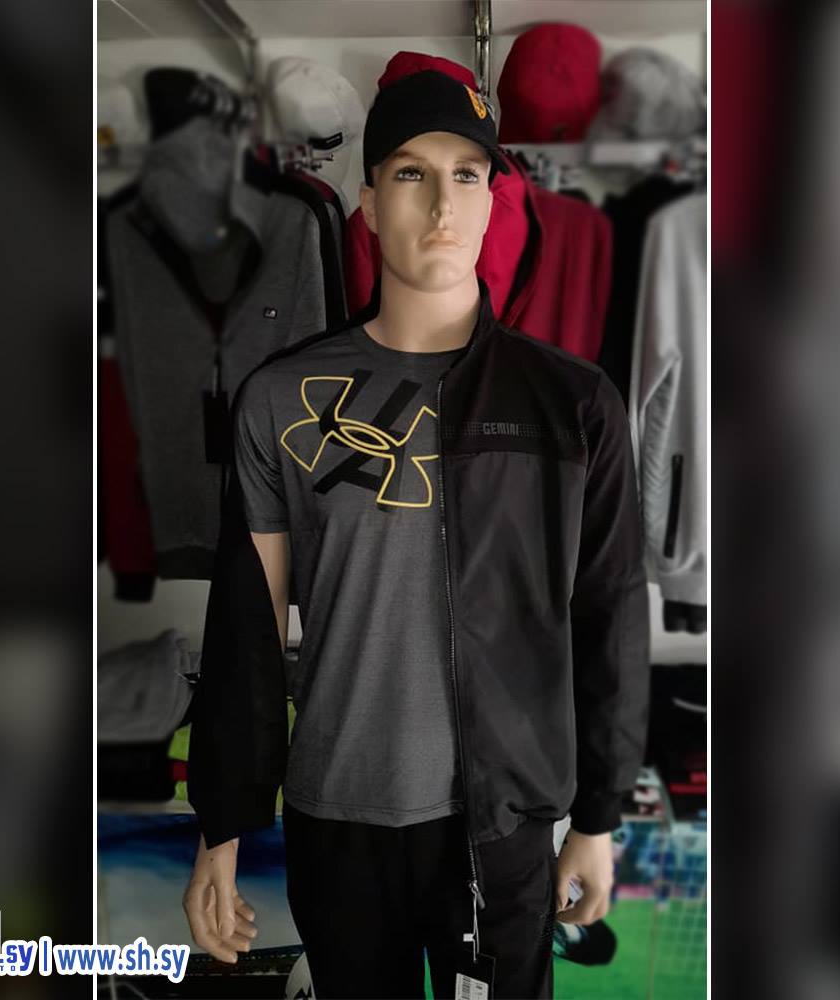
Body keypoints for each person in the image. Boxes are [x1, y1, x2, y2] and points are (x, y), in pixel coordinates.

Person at [182, 68, 649, 1000]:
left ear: (494, 198)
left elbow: (610, 613)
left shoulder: (572, 405)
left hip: (503, 824)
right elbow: (245, 631)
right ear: (366, 203)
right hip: (339, 815)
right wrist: (221, 824)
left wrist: (599, 817)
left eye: (467, 175)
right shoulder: (282, 398)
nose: (442, 204)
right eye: (410, 173)